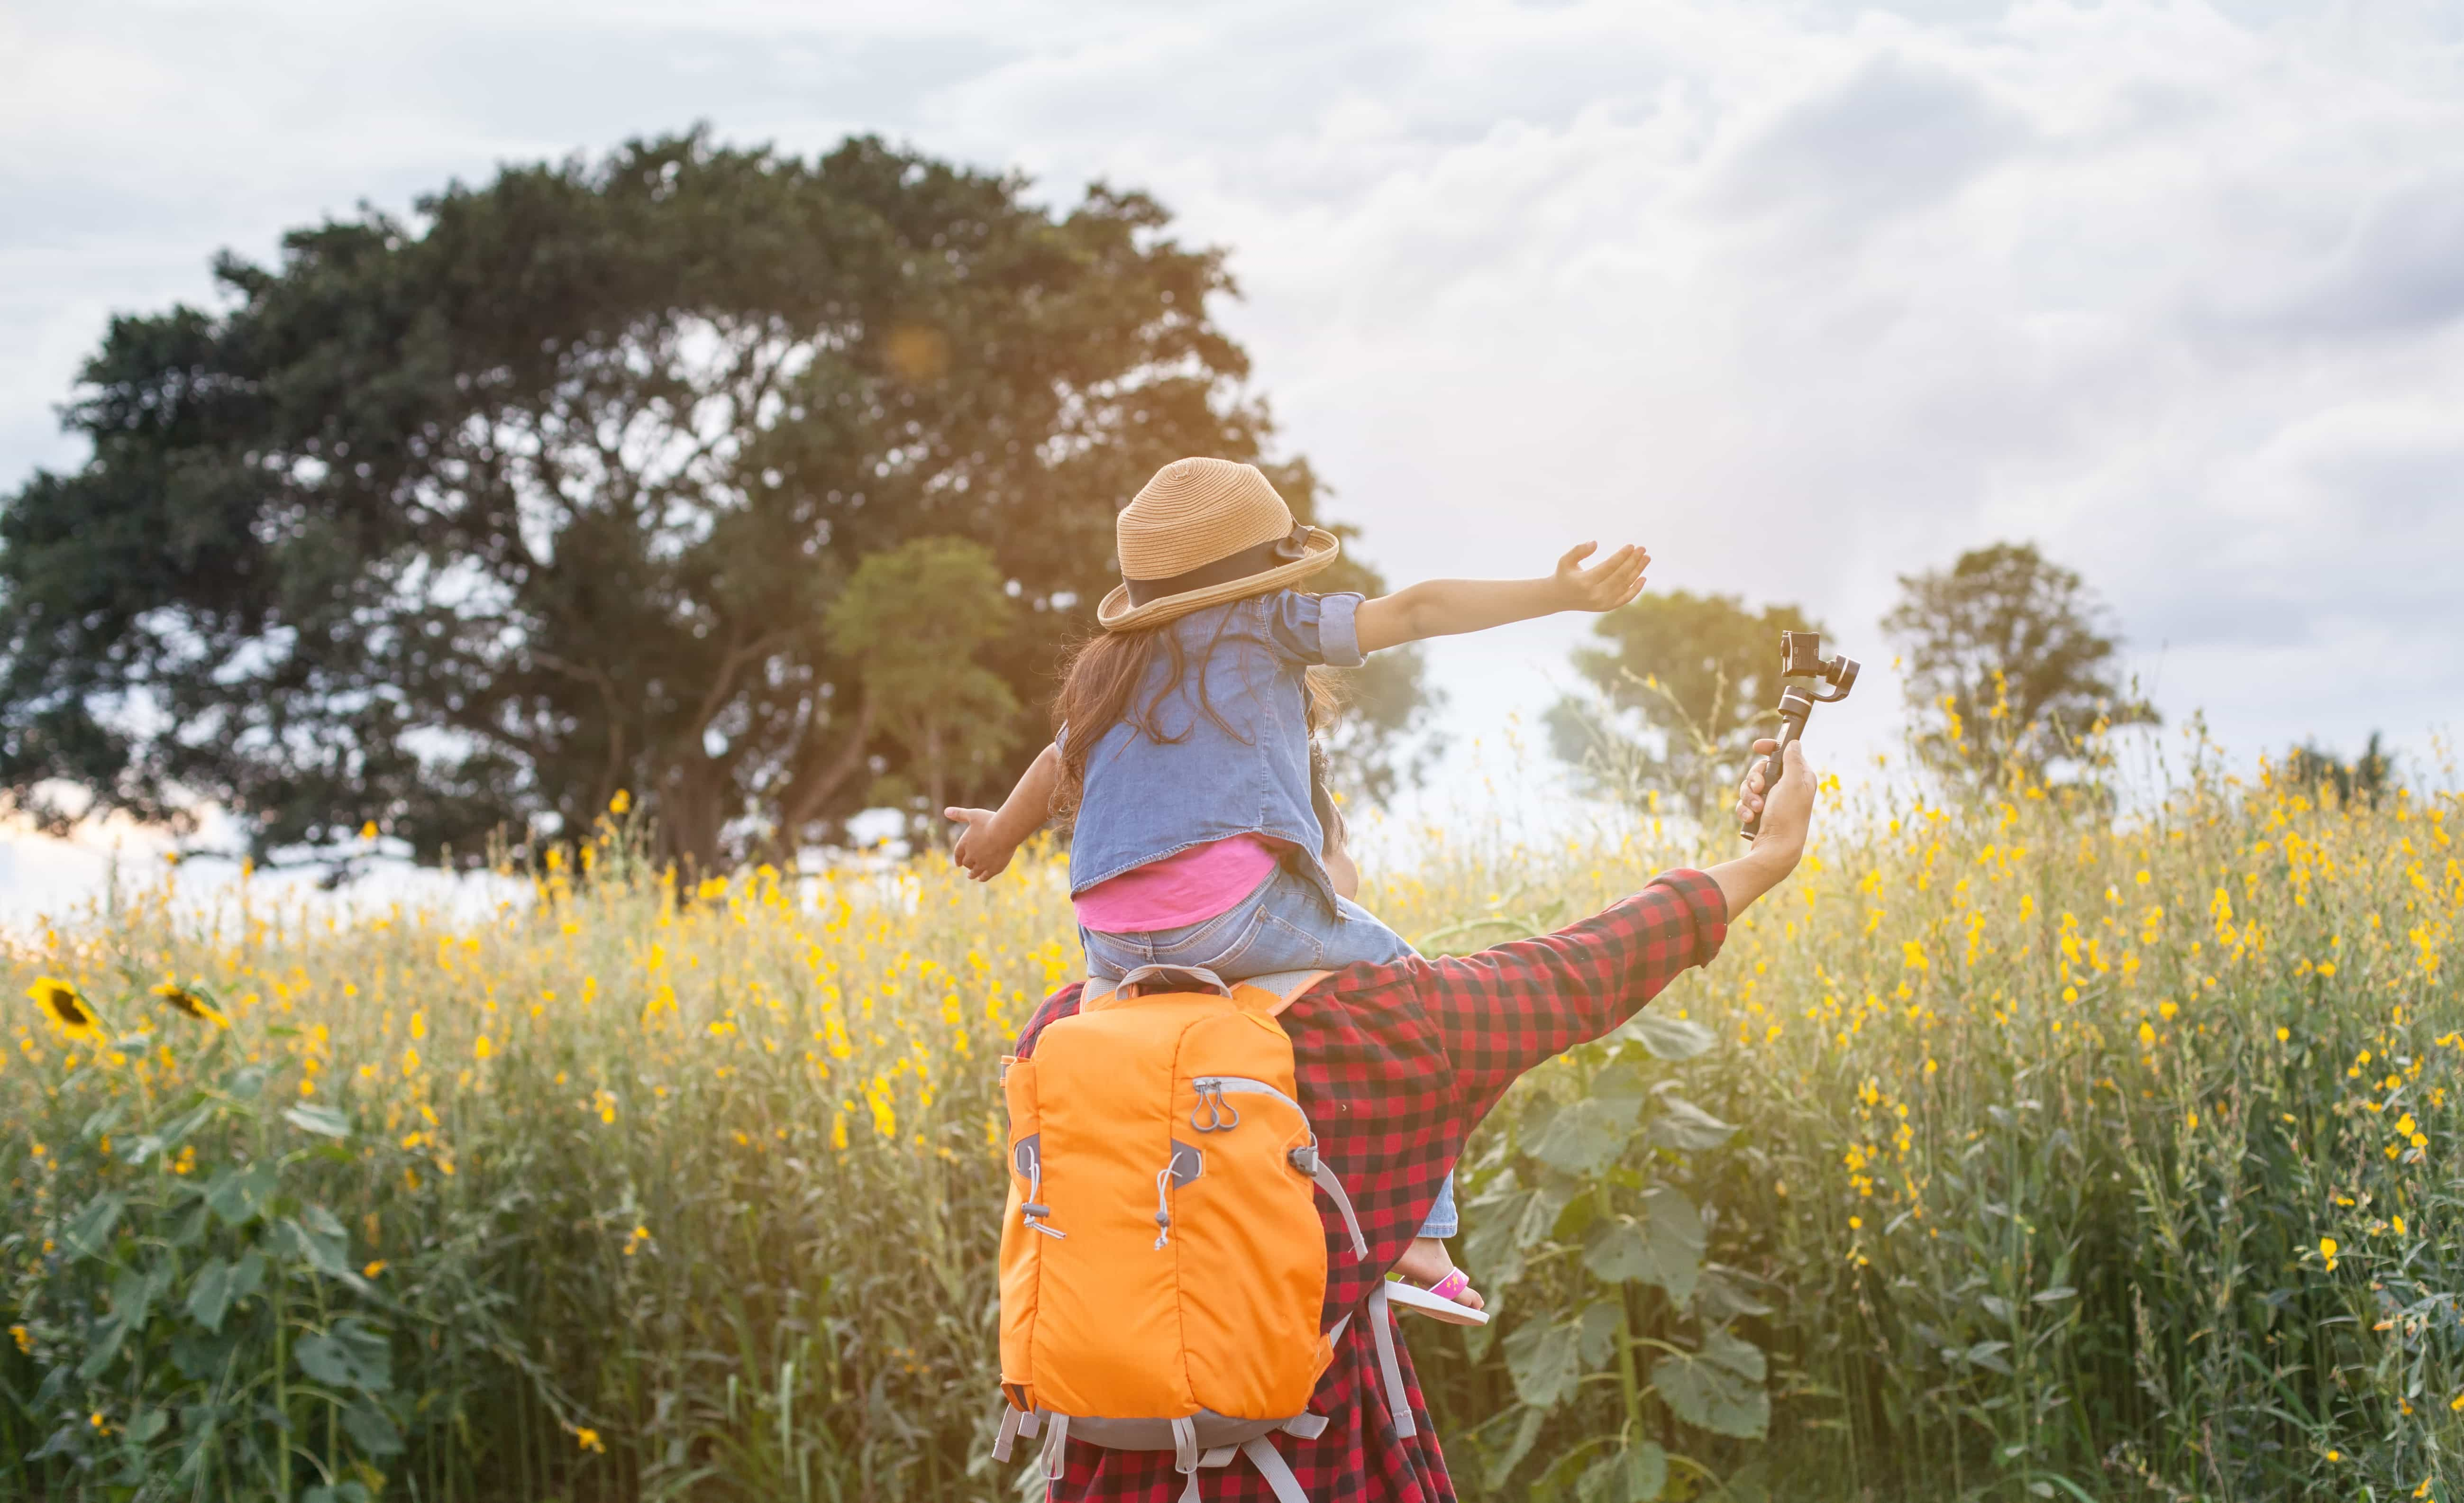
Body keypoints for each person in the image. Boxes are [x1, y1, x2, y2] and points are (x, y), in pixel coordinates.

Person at [1006, 735, 1818, 1503]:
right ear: (1298, 876)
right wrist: (1764, 856)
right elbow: (1585, 967)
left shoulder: (1058, 1030)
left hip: (1099, 1464)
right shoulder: (1377, 1024)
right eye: (1342, 847)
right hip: (1307, 1461)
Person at [944, 456, 1650, 1321]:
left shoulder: (1110, 667)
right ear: (1266, 572)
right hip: (1230, 917)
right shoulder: (1260, 622)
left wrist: (996, 836)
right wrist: (1555, 592)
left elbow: (1058, 760)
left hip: (1109, 939)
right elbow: (1419, 609)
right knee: (1411, 995)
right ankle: (1421, 1240)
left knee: (1132, 1081)